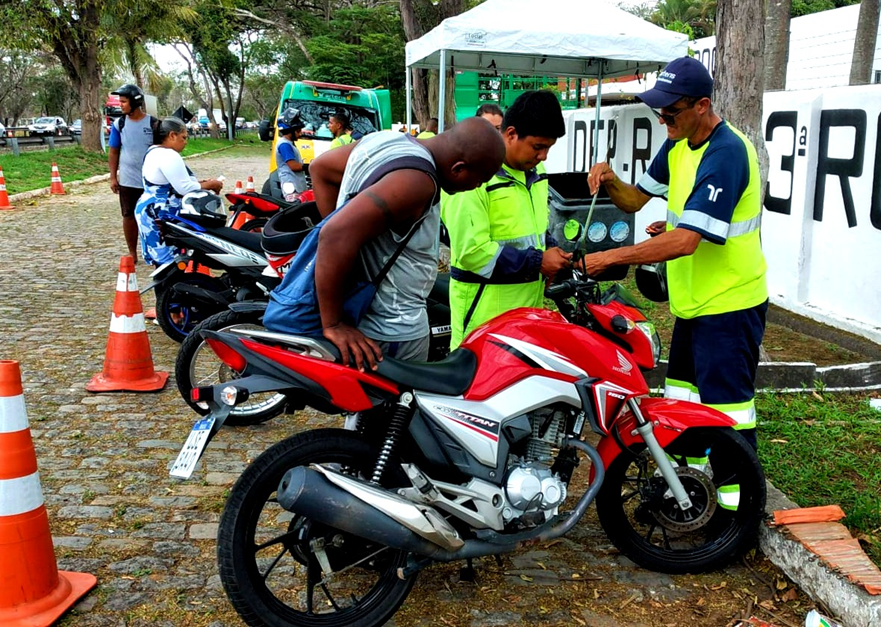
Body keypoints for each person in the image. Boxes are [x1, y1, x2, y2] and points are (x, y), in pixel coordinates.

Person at [583, 56, 767, 449]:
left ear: (702, 105)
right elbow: (634, 200)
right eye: (659, 114)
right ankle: (689, 492)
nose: (663, 122)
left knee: (728, 411)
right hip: (690, 307)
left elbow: (685, 240)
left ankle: (736, 504)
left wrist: (608, 258)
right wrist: (613, 180)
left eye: (670, 113)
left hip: (729, 308)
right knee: (683, 403)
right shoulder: (677, 145)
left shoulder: (727, 153)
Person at [264, 117, 506, 370]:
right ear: (458, 168)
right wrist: (334, 324)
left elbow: (321, 169)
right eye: (479, 179)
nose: (476, 186)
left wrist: (353, 233)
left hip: (367, 314)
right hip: (393, 328)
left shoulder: (386, 140)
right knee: (397, 407)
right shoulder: (419, 182)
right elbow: (335, 234)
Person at [442, 91, 571, 349]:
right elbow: (473, 253)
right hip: (483, 318)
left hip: (527, 314)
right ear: (511, 134)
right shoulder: (473, 175)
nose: (544, 156)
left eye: (548, 148)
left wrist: (552, 249)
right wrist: (538, 261)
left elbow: (533, 230)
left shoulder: (536, 172)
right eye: (538, 147)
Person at [134, 117, 223, 266]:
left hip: (149, 209)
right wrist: (211, 184)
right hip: (161, 212)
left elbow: (172, 182)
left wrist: (201, 183)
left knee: (161, 261)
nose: (186, 142)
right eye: (183, 137)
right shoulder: (168, 155)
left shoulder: (153, 151)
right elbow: (184, 187)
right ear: (172, 135)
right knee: (169, 262)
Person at [108, 84, 157, 264]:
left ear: (135, 102)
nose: (120, 105)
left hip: (151, 180)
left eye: (123, 101)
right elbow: (114, 151)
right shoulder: (119, 124)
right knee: (128, 216)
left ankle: (155, 250)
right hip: (128, 180)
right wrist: (113, 177)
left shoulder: (153, 123)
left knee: (154, 216)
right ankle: (132, 252)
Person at [275, 108, 308, 201]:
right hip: (291, 187)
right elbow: (293, 166)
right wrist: (310, 167)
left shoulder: (289, 144)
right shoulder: (284, 145)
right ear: (290, 131)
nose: (300, 133)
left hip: (296, 185)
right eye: (298, 131)